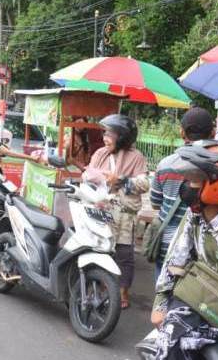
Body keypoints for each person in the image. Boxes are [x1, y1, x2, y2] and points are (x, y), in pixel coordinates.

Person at [139, 142, 218, 360]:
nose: (189, 187)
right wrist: (160, 302)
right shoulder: (194, 217)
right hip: (192, 301)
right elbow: (175, 259)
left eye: (196, 181)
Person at [82, 114, 150, 309]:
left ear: (123, 136)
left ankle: (122, 291)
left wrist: (120, 180)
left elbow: (145, 183)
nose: (105, 137)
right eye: (105, 133)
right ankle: (99, 286)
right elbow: (87, 175)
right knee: (98, 249)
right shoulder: (100, 154)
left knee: (124, 254)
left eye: (110, 134)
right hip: (100, 210)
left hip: (124, 216)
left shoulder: (136, 157)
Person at [150, 107, 216, 279]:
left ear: (181, 132)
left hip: (168, 246)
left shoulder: (165, 164)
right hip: (202, 250)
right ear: (214, 132)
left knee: (162, 295)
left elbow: (155, 203)